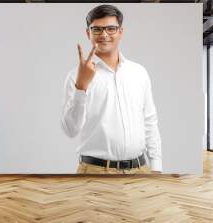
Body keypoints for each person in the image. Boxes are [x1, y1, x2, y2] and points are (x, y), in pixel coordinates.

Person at [61, 4, 162, 174]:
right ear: (88, 33)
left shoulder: (139, 72)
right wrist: (82, 87)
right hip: (95, 171)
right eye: (97, 30)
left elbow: (149, 121)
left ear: (120, 32)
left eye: (111, 28)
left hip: (140, 170)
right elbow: (71, 130)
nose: (104, 34)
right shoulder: (75, 77)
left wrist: (156, 165)